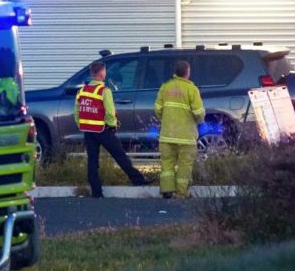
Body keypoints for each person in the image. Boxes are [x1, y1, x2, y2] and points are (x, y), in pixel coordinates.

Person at [75, 61, 148, 198]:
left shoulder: (82, 91)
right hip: (103, 130)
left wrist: (83, 124)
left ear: (91, 74)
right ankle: (138, 180)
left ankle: (96, 192)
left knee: (92, 161)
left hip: (88, 131)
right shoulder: (104, 91)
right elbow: (110, 112)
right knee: (120, 155)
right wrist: (112, 125)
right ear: (102, 73)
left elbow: (77, 112)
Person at [154, 60, 205, 199]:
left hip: (167, 134)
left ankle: (167, 190)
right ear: (187, 72)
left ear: (175, 72)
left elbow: (157, 109)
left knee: (167, 163)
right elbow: (199, 112)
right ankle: (182, 193)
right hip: (186, 137)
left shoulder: (165, 87)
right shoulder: (191, 89)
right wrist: (198, 122)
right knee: (184, 165)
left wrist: (165, 120)